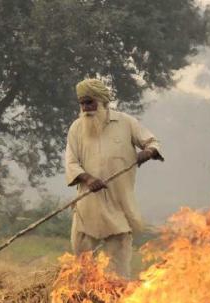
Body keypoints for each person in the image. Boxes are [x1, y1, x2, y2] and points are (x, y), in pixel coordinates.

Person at [64, 78, 163, 278]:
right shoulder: (76, 128)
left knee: (118, 272)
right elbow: (71, 163)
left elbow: (152, 141)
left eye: (90, 102)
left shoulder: (126, 122)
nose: (86, 108)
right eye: (82, 103)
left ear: (102, 101)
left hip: (119, 206)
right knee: (82, 269)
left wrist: (149, 151)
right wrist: (89, 179)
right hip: (87, 208)